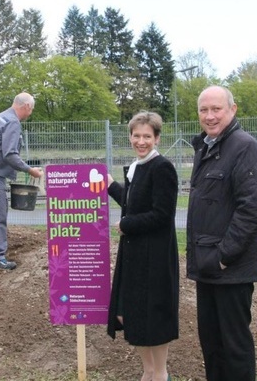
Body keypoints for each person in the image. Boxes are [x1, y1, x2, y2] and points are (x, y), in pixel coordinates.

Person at [187, 86, 257, 381]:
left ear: (233, 110)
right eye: (203, 110)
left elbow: (254, 209)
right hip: (207, 265)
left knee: (234, 346)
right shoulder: (207, 147)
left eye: (216, 109)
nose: (209, 116)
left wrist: (223, 256)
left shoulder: (244, 147)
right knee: (212, 343)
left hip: (229, 268)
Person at [106, 111, 179, 381]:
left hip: (155, 258)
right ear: (130, 137)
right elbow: (134, 201)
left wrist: (127, 224)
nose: (141, 141)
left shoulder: (162, 168)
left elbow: (162, 214)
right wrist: (111, 185)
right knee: (131, 314)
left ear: (157, 138)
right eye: (136, 135)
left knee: (154, 318)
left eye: (147, 136)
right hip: (136, 255)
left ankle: (159, 374)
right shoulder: (138, 166)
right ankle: (149, 371)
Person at [0, 92, 43, 270]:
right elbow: (10, 154)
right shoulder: (12, 122)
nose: (31, 113)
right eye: (32, 109)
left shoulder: (1, 117)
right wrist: (30, 170)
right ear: (26, 106)